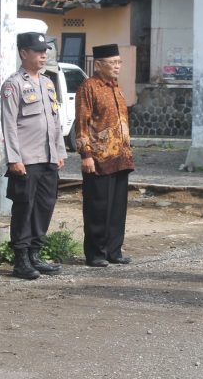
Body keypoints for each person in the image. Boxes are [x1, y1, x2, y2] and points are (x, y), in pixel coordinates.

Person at [1, 32, 67, 279]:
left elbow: (55, 121)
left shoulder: (48, 83)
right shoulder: (14, 84)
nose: (43, 55)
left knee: (44, 207)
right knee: (24, 208)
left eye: (45, 51)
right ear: (23, 53)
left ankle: (35, 254)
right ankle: (21, 260)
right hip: (26, 160)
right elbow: (8, 124)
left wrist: (59, 151)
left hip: (48, 158)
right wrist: (14, 158)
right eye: (38, 51)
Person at [75, 44, 135, 267]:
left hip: (121, 157)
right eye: (112, 62)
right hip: (98, 159)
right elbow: (82, 123)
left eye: (119, 62)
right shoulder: (89, 87)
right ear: (99, 64)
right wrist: (86, 154)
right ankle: (96, 253)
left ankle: (114, 251)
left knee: (118, 208)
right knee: (97, 207)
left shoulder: (116, 87)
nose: (117, 66)